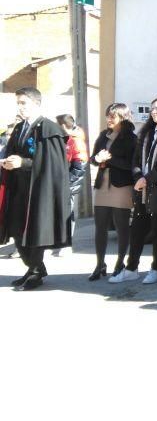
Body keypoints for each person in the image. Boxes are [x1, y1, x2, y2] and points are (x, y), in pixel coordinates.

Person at [0, 88, 70, 290]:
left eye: (24, 103)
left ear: (36, 103)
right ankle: (34, 267)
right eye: (19, 103)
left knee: (35, 231)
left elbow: (53, 163)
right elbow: (14, 152)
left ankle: (35, 272)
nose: (20, 107)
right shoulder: (20, 127)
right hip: (19, 189)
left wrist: (23, 163)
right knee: (15, 230)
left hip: (39, 190)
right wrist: (8, 161)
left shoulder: (49, 128)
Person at [111, 97, 157, 285]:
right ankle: (131, 268)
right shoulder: (148, 131)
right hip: (142, 190)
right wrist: (137, 177)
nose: (154, 111)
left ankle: (155, 269)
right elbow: (136, 159)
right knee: (137, 230)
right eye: (152, 109)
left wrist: (146, 179)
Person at [88, 103, 136, 280]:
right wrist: (97, 159)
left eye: (113, 116)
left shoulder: (131, 138)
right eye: (108, 115)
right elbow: (92, 158)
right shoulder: (103, 135)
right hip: (102, 185)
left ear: (122, 118)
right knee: (100, 227)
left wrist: (109, 159)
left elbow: (131, 165)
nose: (108, 119)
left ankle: (120, 263)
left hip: (121, 186)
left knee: (122, 227)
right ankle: (100, 265)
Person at [55, 113, 89, 257]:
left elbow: (80, 165)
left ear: (62, 126)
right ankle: (61, 242)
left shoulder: (76, 141)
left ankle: (66, 244)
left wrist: (67, 183)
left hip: (68, 183)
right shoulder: (67, 139)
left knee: (67, 215)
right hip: (64, 182)